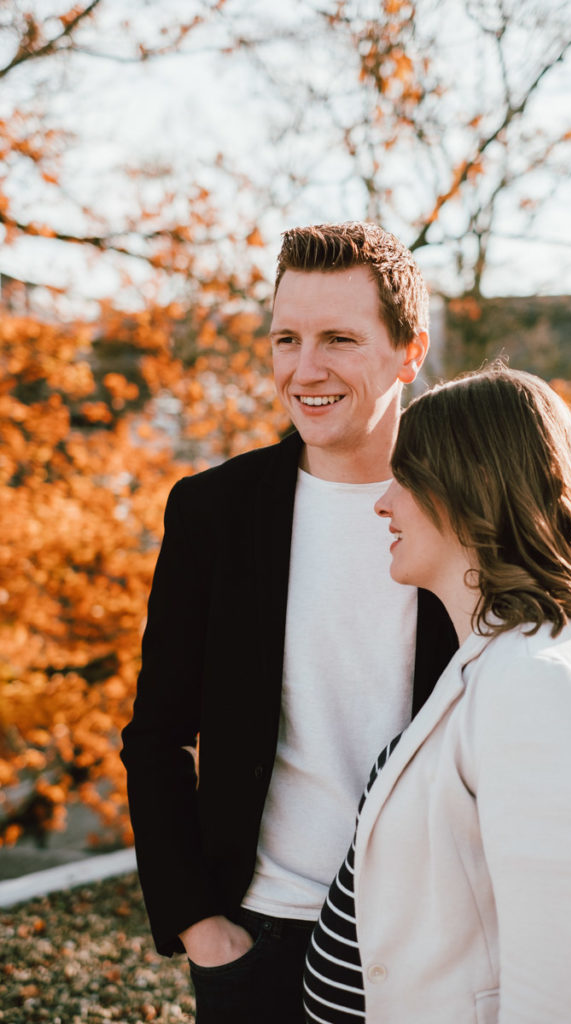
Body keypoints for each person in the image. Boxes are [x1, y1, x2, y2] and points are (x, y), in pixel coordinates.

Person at [120, 222, 458, 1023]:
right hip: (260, 942)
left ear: (409, 353)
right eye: (285, 339)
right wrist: (202, 929)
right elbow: (155, 735)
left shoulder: (471, 512)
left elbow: (558, 707)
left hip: (438, 933)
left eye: (338, 338)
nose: (304, 370)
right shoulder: (212, 512)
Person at [303, 364, 571, 1024]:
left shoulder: (535, 680)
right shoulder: (502, 659)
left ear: (469, 489)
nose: (383, 502)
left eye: (406, 479)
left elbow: (557, 1001)